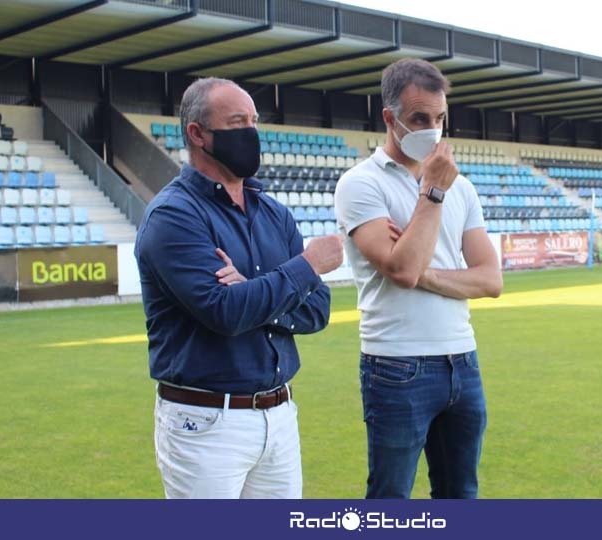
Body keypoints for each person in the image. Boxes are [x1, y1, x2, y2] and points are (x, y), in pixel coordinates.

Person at [135, 77, 343, 499]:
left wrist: (252, 291)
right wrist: (305, 267)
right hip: (205, 423)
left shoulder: (274, 214)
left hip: (279, 415)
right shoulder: (173, 216)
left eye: (253, 121)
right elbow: (225, 313)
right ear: (198, 134)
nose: (251, 132)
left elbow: (318, 310)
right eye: (236, 122)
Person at [334, 58, 503, 499]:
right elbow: (401, 269)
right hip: (396, 365)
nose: (433, 129)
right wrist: (432, 191)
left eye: (440, 118)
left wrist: (421, 271)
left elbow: (489, 280)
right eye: (420, 119)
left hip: (462, 362)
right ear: (390, 119)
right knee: (391, 499)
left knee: (460, 493)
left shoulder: (462, 188)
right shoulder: (361, 184)